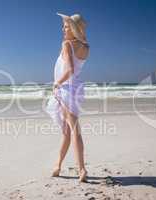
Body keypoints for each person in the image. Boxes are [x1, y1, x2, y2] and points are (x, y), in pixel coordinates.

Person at [45, 12, 90, 182]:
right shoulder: (86, 47)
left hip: (66, 89)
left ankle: (82, 169)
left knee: (72, 131)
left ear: (72, 28)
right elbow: (76, 69)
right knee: (68, 131)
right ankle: (57, 165)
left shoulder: (67, 44)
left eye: (65, 26)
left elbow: (69, 69)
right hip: (76, 88)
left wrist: (56, 83)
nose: (63, 28)